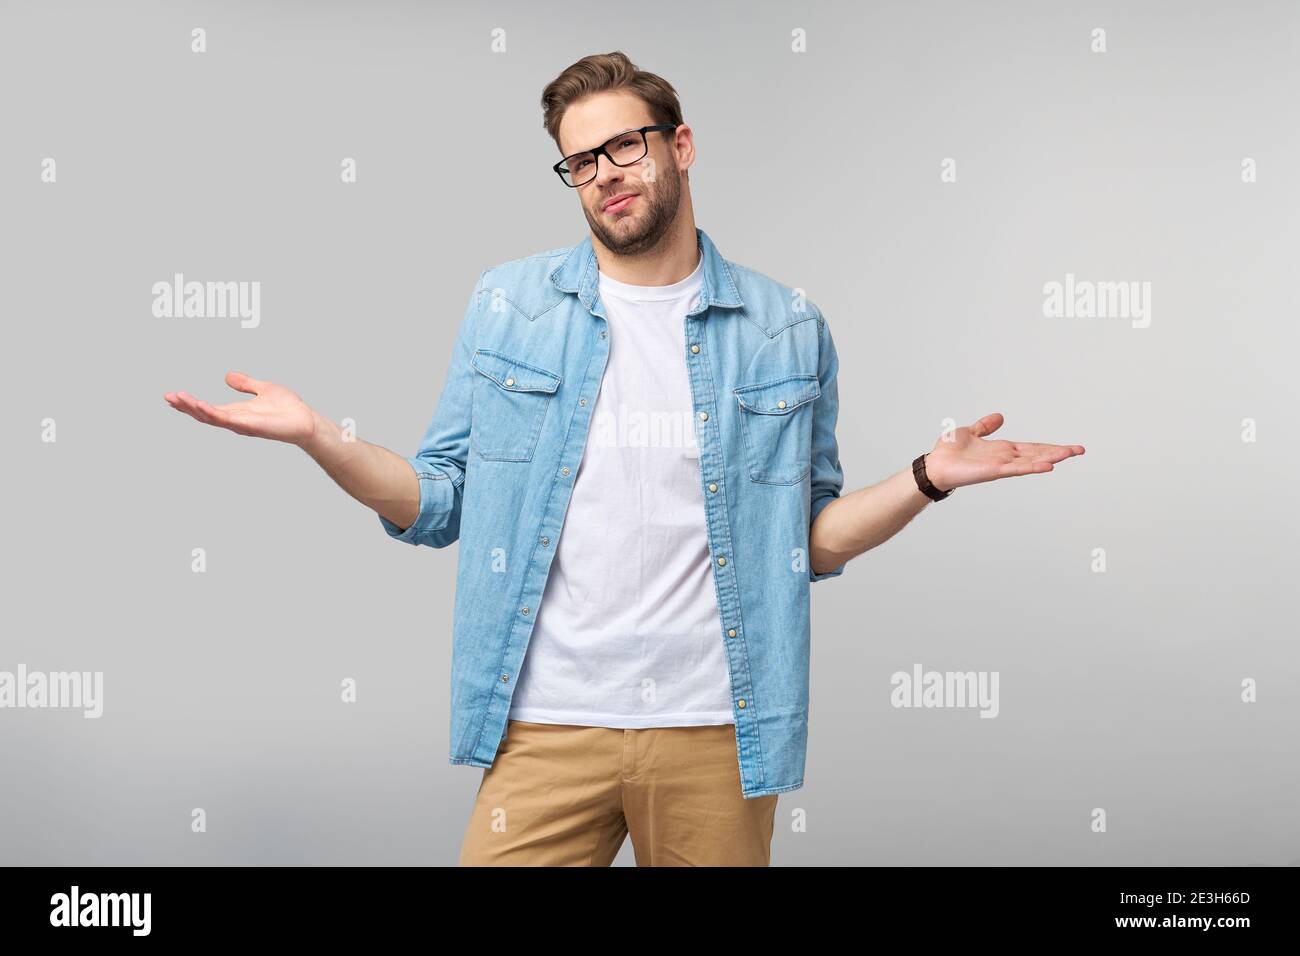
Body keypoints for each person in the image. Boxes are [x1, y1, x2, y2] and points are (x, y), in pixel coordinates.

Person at [164, 51, 1084, 866]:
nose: (606, 175)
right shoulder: (508, 305)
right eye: (580, 161)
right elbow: (439, 504)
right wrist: (323, 437)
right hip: (543, 725)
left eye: (626, 147)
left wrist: (926, 479)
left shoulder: (784, 328)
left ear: (680, 145)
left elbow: (809, 543)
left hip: (718, 735)